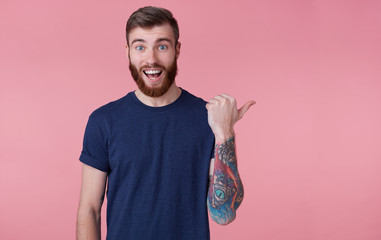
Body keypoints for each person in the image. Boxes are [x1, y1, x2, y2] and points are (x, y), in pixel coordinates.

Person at [76, 6, 255, 240]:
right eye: (140, 47)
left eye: (162, 46)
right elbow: (89, 209)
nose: (151, 58)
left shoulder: (207, 119)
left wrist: (225, 135)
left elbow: (224, 214)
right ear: (128, 51)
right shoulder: (104, 121)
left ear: (177, 49)